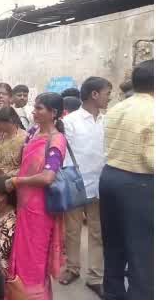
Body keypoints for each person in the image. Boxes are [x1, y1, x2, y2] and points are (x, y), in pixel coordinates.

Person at [0, 92, 66, 299]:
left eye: (39, 108)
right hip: (23, 205)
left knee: (34, 259)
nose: (34, 112)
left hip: (40, 210)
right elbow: (24, 164)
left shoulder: (57, 140)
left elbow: (47, 177)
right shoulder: (33, 132)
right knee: (19, 254)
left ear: (53, 113)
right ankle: (17, 293)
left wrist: (17, 181)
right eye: (35, 107)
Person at [99, 60, 153, 300]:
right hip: (138, 182)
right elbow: (151, 158)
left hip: (110, 177)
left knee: (113, 245)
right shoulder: (152, 110)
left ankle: (112, 294)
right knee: (142, 250)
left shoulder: (117, 108)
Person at [59, 76, 110, 295]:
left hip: (100, 184)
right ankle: (72, 268)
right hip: (75, 184)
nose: (110, 97)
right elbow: (63, 155)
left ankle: (96, 276)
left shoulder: (107, 120)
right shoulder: (70, 121)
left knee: (98, 232)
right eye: (107, 93)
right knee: (72, 231)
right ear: (94, 95)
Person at [0, 106, 25, 177]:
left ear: (9, 121)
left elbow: (25, 167)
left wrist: (7, 175)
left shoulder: (24, 138)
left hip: (11, 179)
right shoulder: (0, 135)